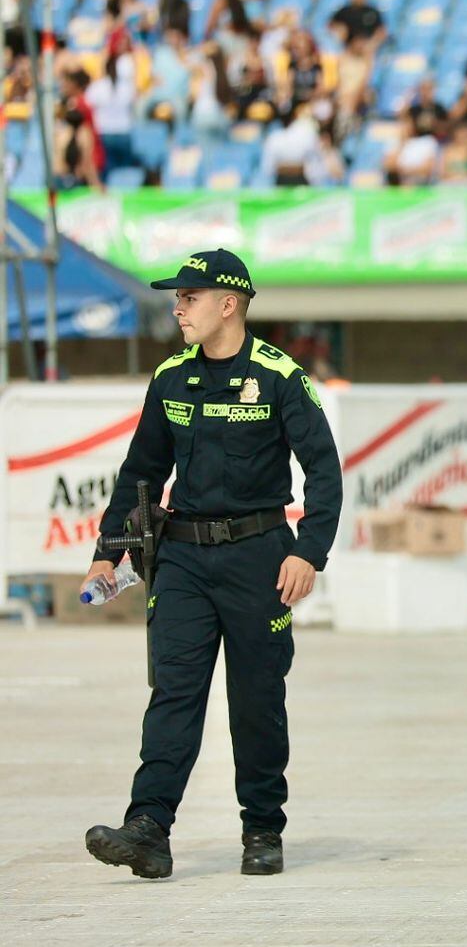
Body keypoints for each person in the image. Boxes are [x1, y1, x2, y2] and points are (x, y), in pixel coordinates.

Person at [82, 250, 342, 880]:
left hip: (260, 558)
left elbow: (325, 471)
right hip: (182, 560)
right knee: (172, 692)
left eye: (189, 297)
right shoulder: (171, 377)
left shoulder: (281, 377)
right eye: (177, 297)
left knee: (256, 699)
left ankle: (262, 828)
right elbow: (141, 469)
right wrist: (105, 552)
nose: (178, 307)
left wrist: (308, 553)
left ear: (229, 304)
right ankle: (148, 826)